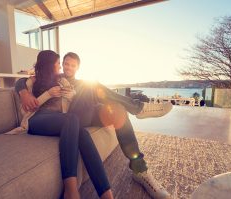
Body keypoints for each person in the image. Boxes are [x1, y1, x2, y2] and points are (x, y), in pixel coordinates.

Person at [15, 52, 172, 199]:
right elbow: (23, 81)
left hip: (82, 112)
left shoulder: (68, 81)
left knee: (117, 110)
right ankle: (138, 107)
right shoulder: (50, 78)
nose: (65, 67)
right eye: (64, 64)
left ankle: (136, 172)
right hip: (69, 116)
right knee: (92, 87)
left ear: (78, 67)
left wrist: (74, 95)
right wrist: (23, 91)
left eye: (72, 65)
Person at [17, 50, 114, 199]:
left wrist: (72, 96)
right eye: (58, 63)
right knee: (71, 119)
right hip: (36, 119)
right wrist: (46, 93)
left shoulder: (62, 81)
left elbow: (75, 98)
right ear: (49, 65)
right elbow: (21, 87)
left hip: (58, 119)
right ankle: (71, 191)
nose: (61, 67)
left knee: (81, 131)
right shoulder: (35, 80)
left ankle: (106, 194)